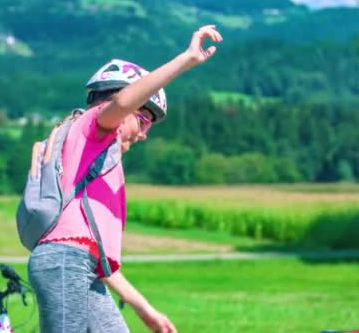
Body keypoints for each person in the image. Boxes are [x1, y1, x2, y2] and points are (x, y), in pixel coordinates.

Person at [27, 24, 222, 333]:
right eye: (143, 120)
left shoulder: (94, 155)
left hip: (80, 266)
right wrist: (187, 59)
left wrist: (145, 310)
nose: (144, 133)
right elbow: (120, 105)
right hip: (65, 265)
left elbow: (94, 257)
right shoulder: (92, 125)